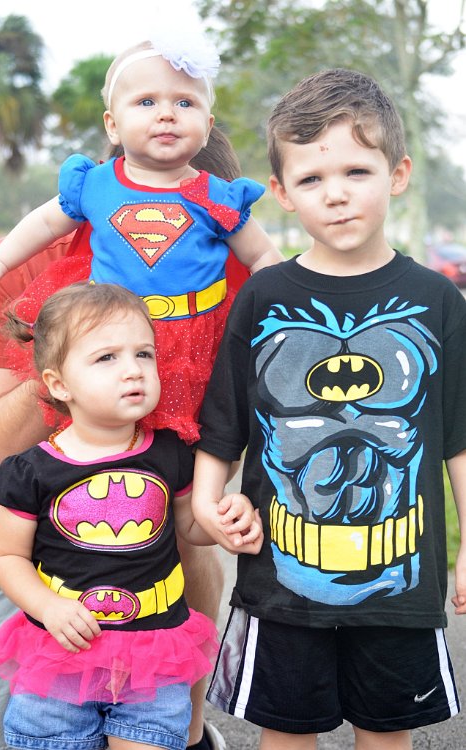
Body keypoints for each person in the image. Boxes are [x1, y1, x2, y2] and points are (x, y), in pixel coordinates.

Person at [191, 68, 466, 750]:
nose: (336, 194)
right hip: (277, 586)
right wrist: (206, 503)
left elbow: (459, 436)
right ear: (282, 192)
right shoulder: (263, 299)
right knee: (285, 735)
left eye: (356, 171)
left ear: (397, 174)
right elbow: (223, 424)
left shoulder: (437, 300)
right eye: (311, 179)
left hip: (402, 590)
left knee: (385, 734)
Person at [0, 127, 250, 750]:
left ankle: (190, 730)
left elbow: (198, 492)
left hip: (147, 590)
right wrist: (83, 337)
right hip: (1, 570)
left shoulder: (219, 278)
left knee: (173, 506)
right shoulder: (8, 266)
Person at [0, 282, 263, 750]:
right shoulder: (30, 470)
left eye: (144, 354)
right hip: (62, 655)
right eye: (107, 357)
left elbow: (192, 527)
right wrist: (48, 607)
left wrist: (227, 521)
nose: (133, 370)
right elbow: (8, 557)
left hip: (152, 656)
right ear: (59, 384)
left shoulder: (171, 454)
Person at [0, 30, 282, 444]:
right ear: (113, 126)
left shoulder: (219, 204)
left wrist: (291, 301)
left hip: (191, 333)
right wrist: (4, 263)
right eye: (146, 102)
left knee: (187, 437)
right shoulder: (91, 188)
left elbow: (265, 259)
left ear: (206, 127)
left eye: (184, 102)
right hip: (105, 324)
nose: (166, 115)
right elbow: (45, 223)